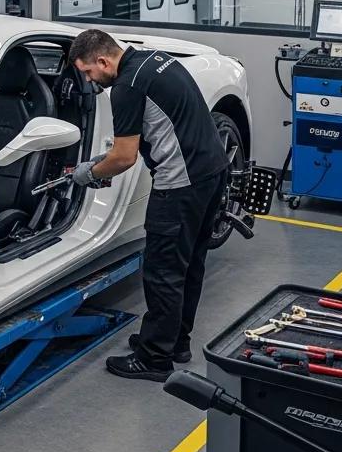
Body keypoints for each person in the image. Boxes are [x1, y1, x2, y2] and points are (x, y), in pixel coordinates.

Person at [69, 29, 228, 382]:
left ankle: (154, 359)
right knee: (189, 264)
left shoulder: (126, 87)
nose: (90, 82)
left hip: (180, 185)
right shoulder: (156, 60)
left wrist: (89, 173)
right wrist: (104, 160)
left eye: (88, 73)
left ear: (103, 60)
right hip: (211, 172)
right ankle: (175, 341)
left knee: (163, 272)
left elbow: (124, 157)